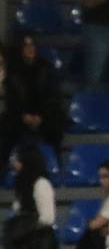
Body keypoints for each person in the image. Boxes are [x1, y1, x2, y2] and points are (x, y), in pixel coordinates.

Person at [2, 32, 68, 162]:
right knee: (6, 128)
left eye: (32, 45)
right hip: (20, 115)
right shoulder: (12, 71)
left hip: (45, 114)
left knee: (55, 125)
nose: (30, 48)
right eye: (26, 45)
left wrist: (41, 117)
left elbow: (54, 96)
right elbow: (11, 100)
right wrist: (23, 116)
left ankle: (56, 163)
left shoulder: (46, 68)